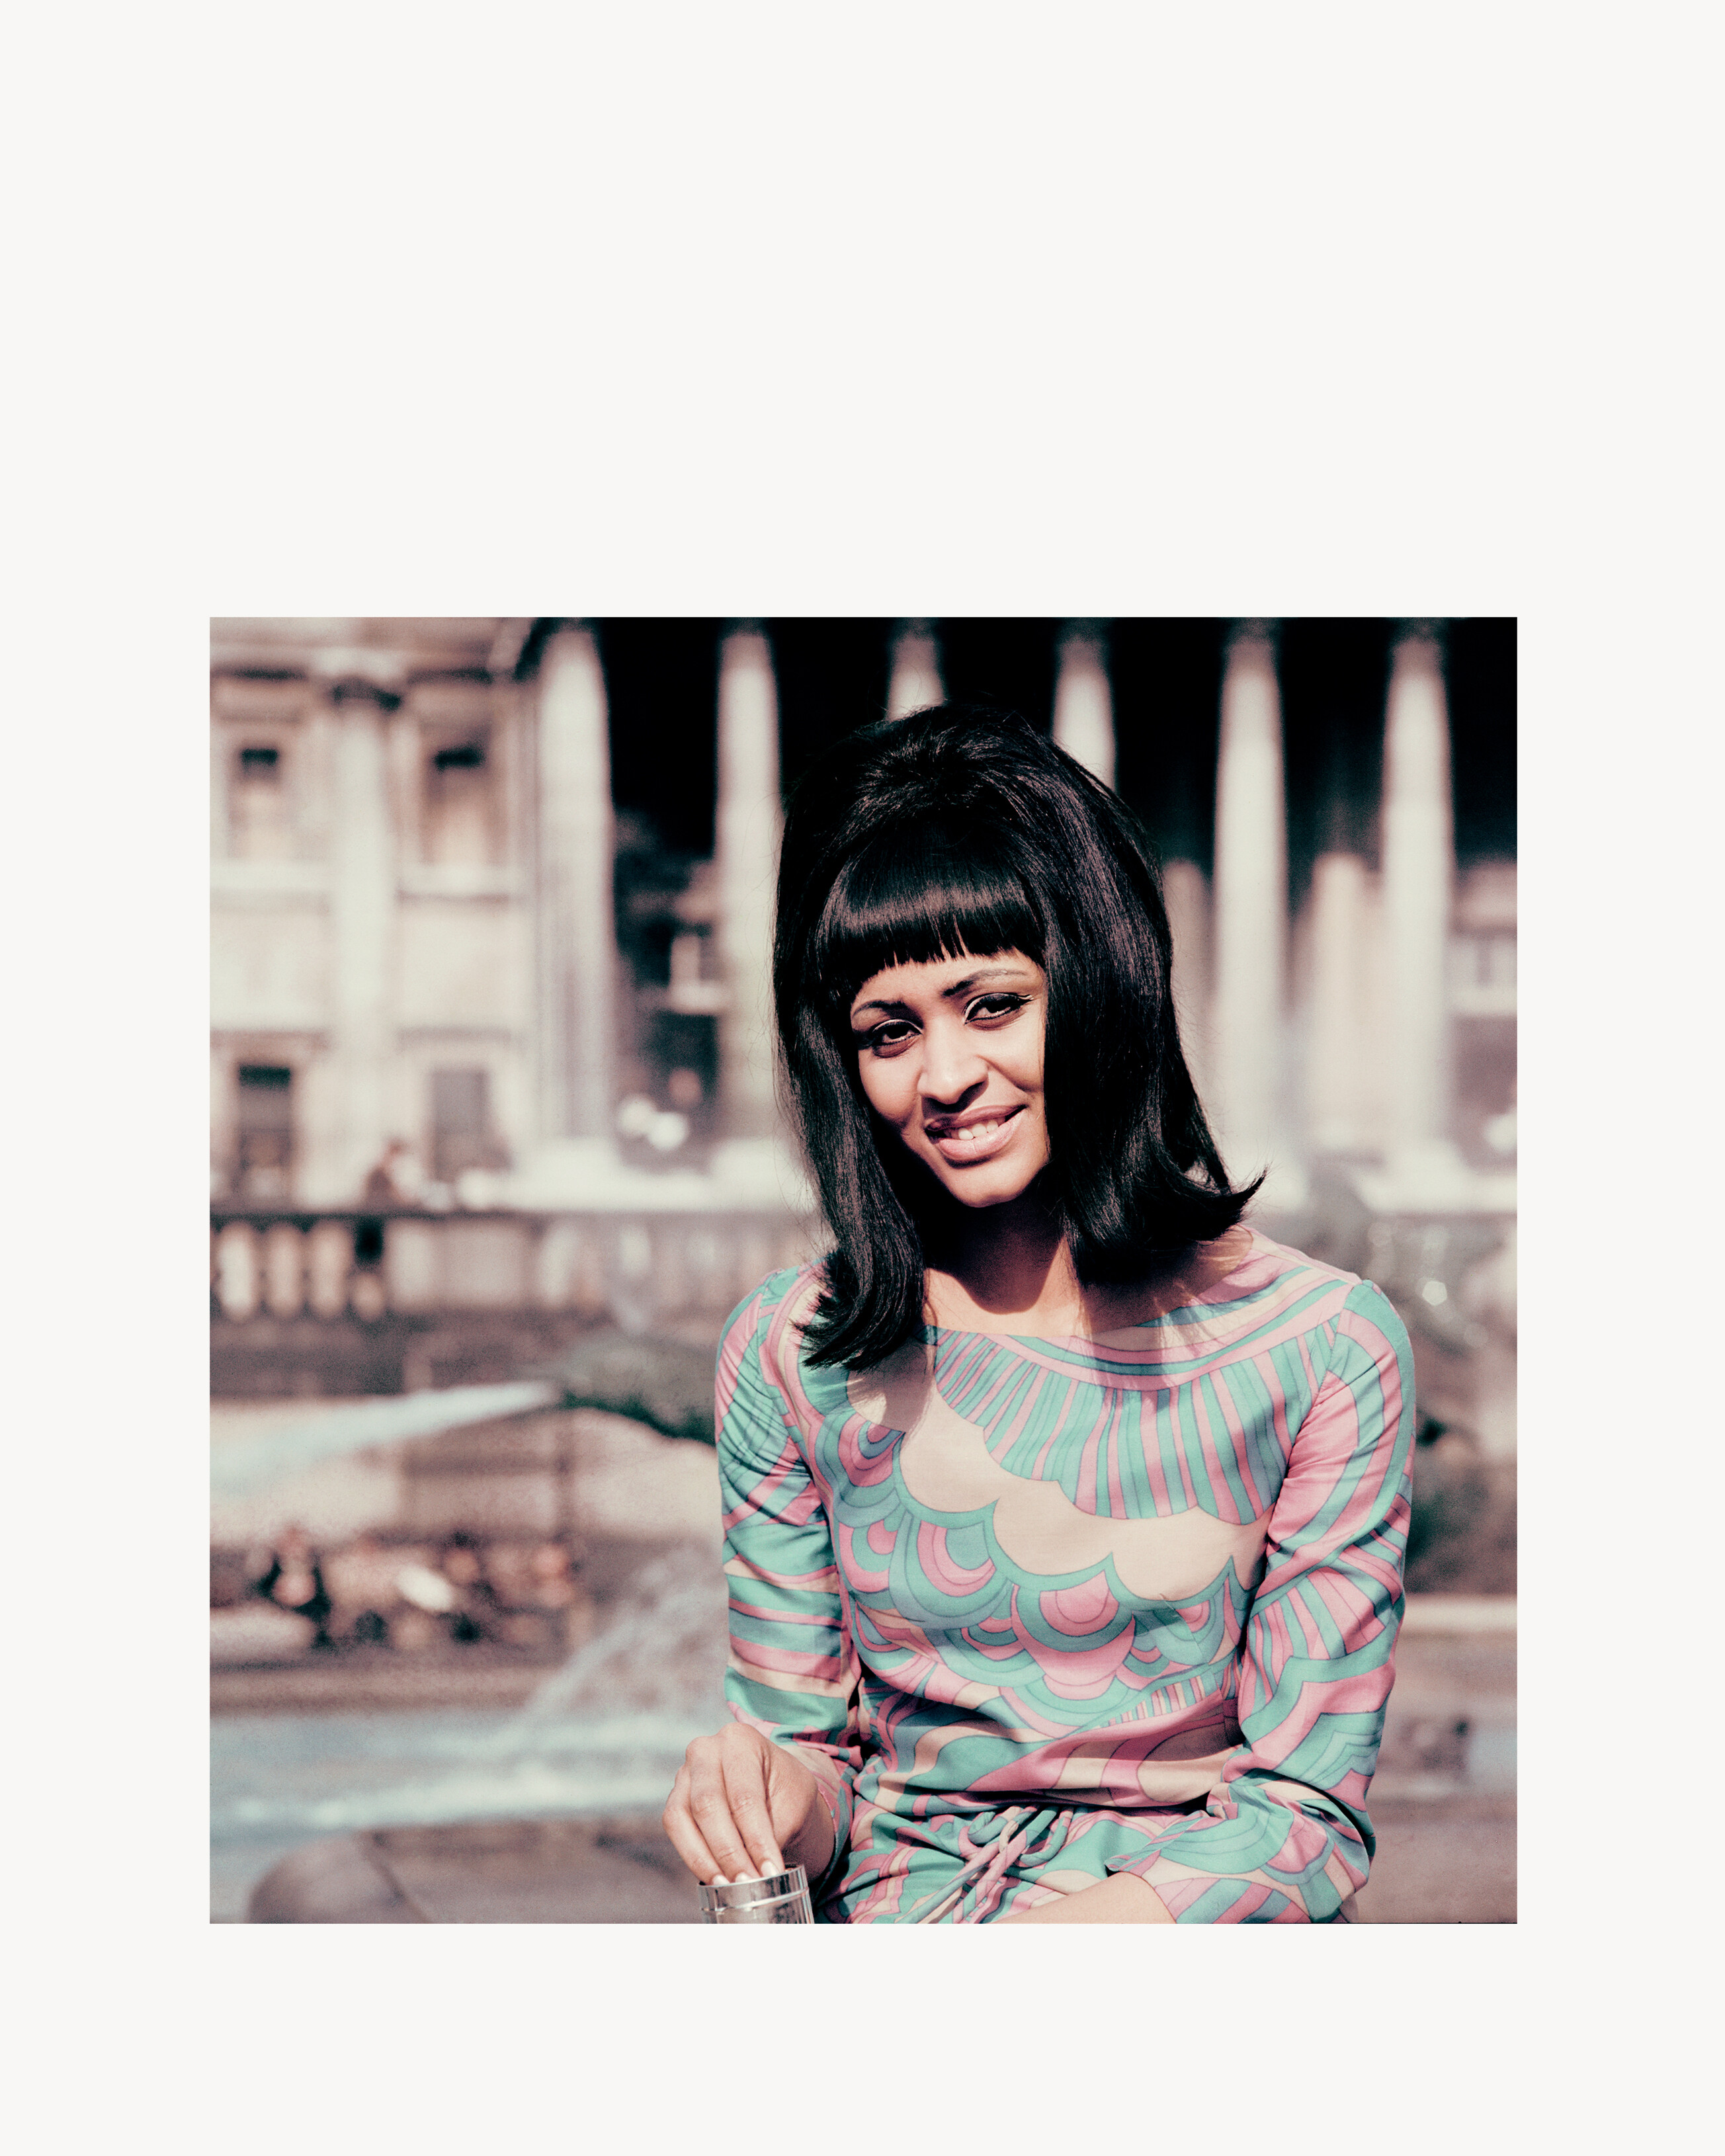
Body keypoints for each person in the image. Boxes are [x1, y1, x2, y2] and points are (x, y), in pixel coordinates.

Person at [661, 706, 1415, 1923]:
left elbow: (1307, 1815)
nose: (946, 1077)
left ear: (1105, 985)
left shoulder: (1323, 1344)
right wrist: (761, 1793)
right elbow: (817, 1759)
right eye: (889, 1032)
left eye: (994, 1005)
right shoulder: (791, 1346)